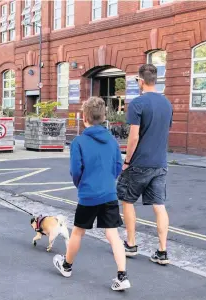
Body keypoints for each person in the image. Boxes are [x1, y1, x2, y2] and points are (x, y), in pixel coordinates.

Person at [53, 97, 131, 291]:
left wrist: (81, 184)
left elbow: (75, 170)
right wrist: (107, 181)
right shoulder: (112, 141)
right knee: (113, 234)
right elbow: (117, 166)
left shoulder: (79, 141)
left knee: (78, 231)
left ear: (84, 118)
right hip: (109, 193)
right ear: (103, 117)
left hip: (88, 194)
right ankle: (122, 276)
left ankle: (67, 266)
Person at [117, 64, 173, 265]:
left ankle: (131, 244)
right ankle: (162, 251)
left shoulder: (138, 103)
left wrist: (127, 161)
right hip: (160, 163)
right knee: (159, 206)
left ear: (141, 81)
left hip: (139, 163)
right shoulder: (167, 104)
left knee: (128, 200)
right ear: (155, 80)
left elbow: (133, 138)